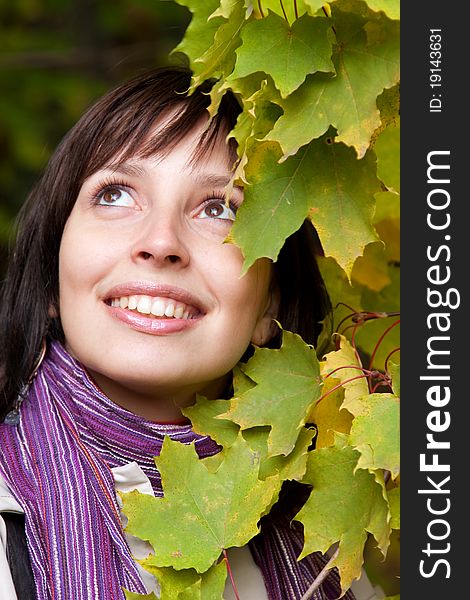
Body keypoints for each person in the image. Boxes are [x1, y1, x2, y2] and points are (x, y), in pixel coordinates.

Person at [0, 67, 381, 600]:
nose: (160, 241)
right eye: (115, 195)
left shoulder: (326, 554)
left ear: (270, 306)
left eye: (220, 208)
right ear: (50, 276)